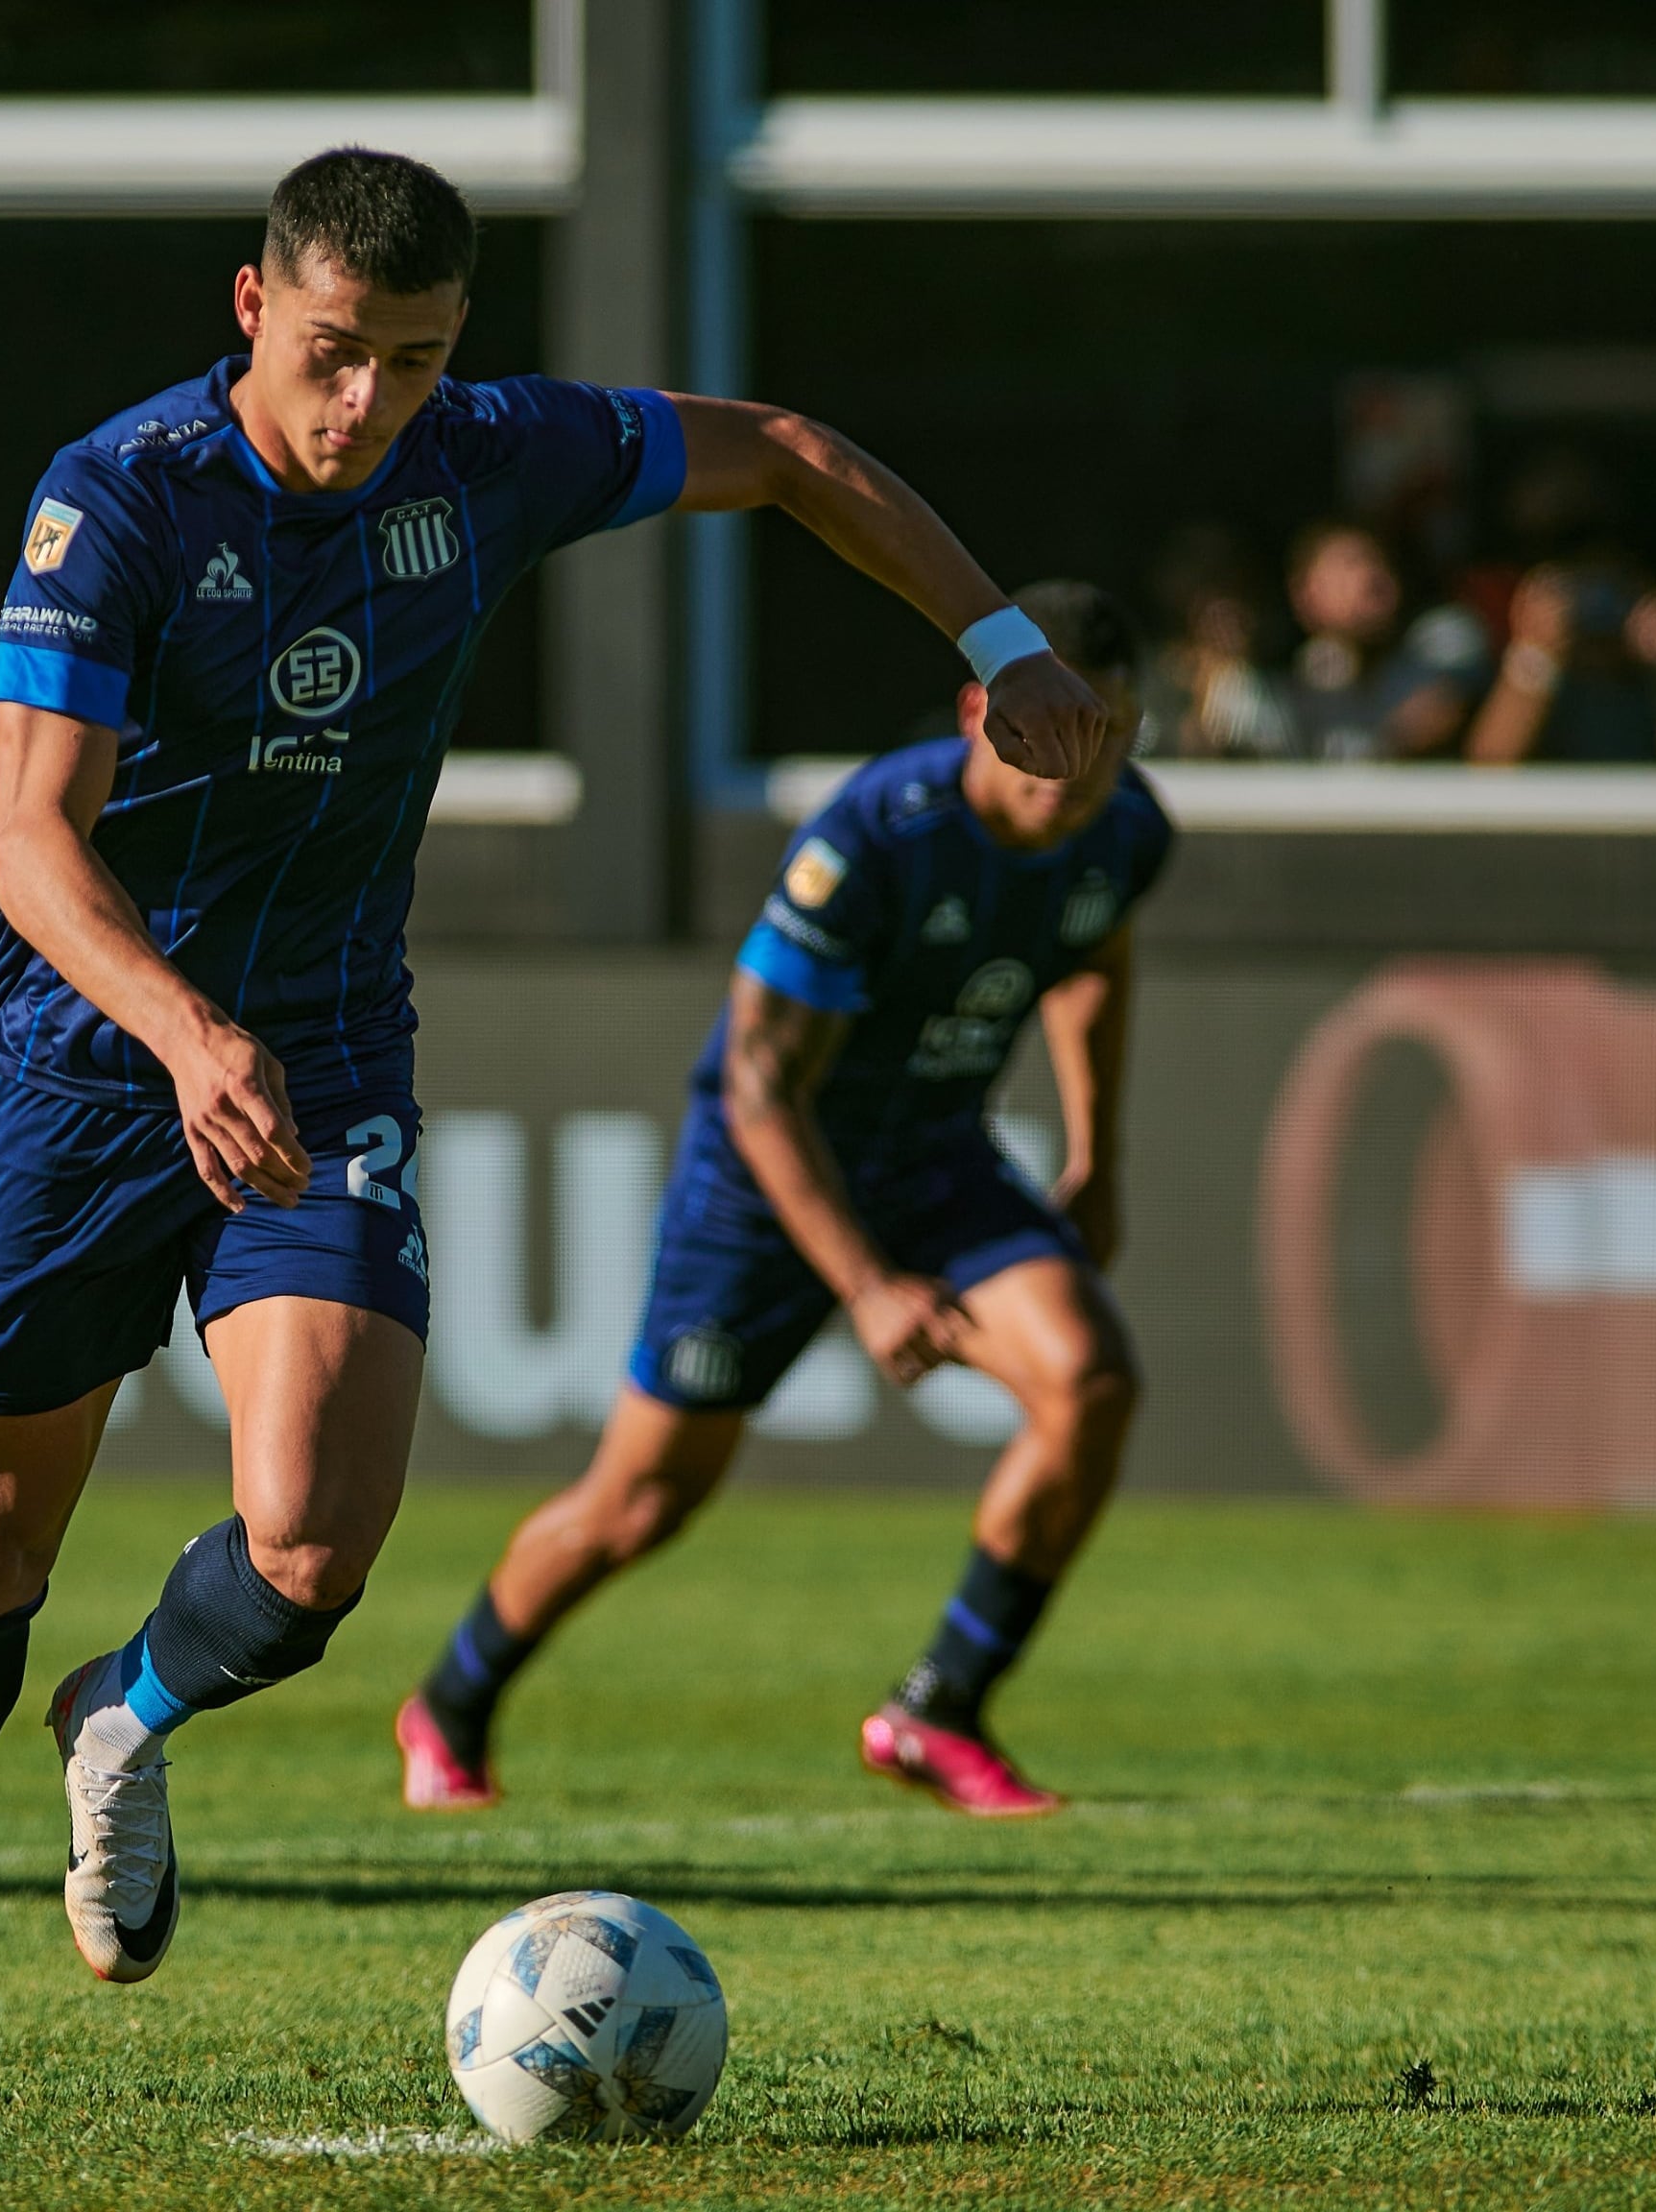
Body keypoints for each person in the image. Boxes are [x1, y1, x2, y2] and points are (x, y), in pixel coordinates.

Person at [0, 147, 1108, 2104]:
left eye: (409, 362)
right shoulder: (119, 499)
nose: (363, 407)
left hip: (318, 1064)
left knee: (310, 1553)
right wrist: (174, 1032)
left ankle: (123, 1714)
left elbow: (785, 452)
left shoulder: (485, 457)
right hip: (89, 1072)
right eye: (333, 354)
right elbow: (29, 843)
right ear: (251, 308)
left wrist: (999, 648)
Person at [397, 578, 1165, 1823]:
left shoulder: (1125, 832)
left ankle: (939, 1707)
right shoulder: (879, 836)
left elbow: (1094, 954)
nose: (1076, 770)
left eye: (1110, 737)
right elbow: (761, 1089)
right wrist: (865, 1287)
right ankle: (454, 1698)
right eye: (1053, 734)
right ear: (980, 711)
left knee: (1090, 1380)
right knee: (643, 1501)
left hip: (933, 1158)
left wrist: (1098, 1155)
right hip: (764, 1180)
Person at [1461, 452, 1656, 766]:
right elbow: (1488, 772)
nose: (1594, 608)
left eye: (1610, 589)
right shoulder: (1495, 664)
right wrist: (1535, 656)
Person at [1282, 520, 1487, 761]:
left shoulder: (1442, 635)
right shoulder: (1304, 672)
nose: (1370, 576)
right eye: (1350, 564)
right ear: (1305, 594)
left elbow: (1432, 721)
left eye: (1377, 561)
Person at [1139, 523, 1295, 759]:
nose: (1223, 605)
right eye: (1205, 584)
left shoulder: (1274, 679)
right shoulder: (1148, 678)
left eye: (1231, 582)